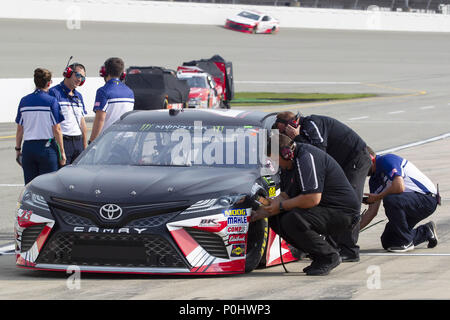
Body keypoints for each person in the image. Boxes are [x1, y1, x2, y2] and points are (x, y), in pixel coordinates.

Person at [251, 134, 360, 276]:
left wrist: (281, 206)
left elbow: (312, 198)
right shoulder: (288, 166)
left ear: (286, 154)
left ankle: (329, 256)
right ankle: (318, 256)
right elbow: (285, 196)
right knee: (276, 218)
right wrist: (261, 212)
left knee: (293, 219)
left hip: (343, 213)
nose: (273, 165)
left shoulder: (306, 158)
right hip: (323, 209)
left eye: (274, 160)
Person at [273, 111, 371, 262]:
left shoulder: (312, 124)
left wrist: (297, 137)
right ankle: (327, 247)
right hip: (335, 164)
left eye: (284, 131)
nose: (284, 137)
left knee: (349, 201)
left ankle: (349, 249)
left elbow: (318, 150)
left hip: (354, 159)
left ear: (293, 124)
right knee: (325, 206)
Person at [361, 147, 440, 252]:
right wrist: (351, 233)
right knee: (389, 241)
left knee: (391, 199)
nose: (360, 170)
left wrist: (378, 197)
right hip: (408, 203)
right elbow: (371, 212)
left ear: (369, 159)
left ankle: (406, 241)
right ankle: (426, 231)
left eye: (360, 165)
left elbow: (399, 187)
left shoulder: (386, 160)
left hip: (427, 199)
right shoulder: (374, 181)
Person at [15, 68, 66, 185]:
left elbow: (20, 129)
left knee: (30, 186)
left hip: (28, 147)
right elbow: (57, 129)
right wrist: (62, 152)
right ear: (49, 83)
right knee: (49, 186)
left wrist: (18, 149)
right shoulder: (51, 101)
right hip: (46, 148)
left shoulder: (24, 101)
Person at [88, 57, 134, 143]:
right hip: (127, 139)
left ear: (105, 72)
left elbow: (100, 119)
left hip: (109, 140)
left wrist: (92, 140)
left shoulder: (103, 91)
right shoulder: (130, 92)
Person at [49, 62, 88, 164]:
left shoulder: (79, 96)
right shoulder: (53, 93)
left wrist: (85, 149)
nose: (80, 79)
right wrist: (61, 149)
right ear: (68, 73)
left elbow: (82, 123)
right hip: (63, 141)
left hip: (78, 142)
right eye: (78, 75)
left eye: (83, 78)